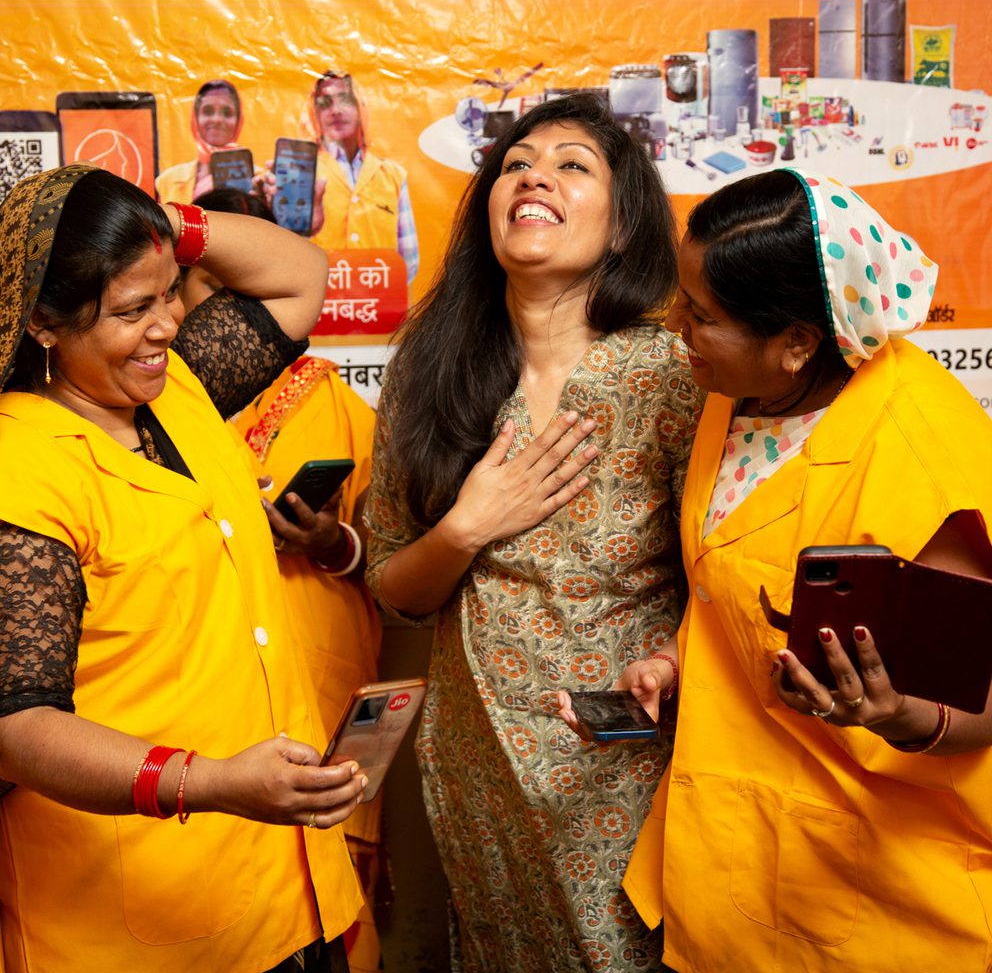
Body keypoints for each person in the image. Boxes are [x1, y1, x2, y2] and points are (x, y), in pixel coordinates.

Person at [570, 168, 992, 971]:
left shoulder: (923, 455)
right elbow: (738, 573)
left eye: (700, 316)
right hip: (734, 869)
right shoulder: (742, 394)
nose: (674, 328)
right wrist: (675, 662)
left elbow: (984, 698)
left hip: (881, 898)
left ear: (797, 341)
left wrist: (894, 713)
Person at [363, 94, 704, 972]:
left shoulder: (672, 373)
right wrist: (466, 529)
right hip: (480, 766)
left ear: (625, 225)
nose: (534, 176)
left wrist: (667, 666)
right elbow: (394, 589)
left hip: (632, 763)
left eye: (571, 164)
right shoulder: (432, 372)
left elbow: (722, 578)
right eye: (516, 163)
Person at [0, 164, 367, 972]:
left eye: (170, 293)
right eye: (132, 310)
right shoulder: (19, 467)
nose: (166, 324)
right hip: (133, 919)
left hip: (285, 889)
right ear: (44, 324)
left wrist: (154, 226)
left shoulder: (178, 391)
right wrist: (210, 783)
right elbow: (17, 730)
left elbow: (303, 276)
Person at [184, 185, 385, 973]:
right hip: (193, 716)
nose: (244, 311)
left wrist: (333, 542)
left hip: (319, 685)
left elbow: (399, 565)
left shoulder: (345, 408)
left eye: (255, 287)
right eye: (219, 292)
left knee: (329, 914)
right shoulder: (146, 408)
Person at [304, 69, 419, 284]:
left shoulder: (393, 175)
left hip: (379, 310)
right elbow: (288, 253)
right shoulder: (303, 170)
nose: (335, 110)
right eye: (324, 103)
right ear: (315, 114)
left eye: (345, 100)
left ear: (360, 107)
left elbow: (408, 260)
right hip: (319, 310)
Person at [156, 79, 249, 205]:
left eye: (227, 113)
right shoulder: (167, 181)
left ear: (239, 121)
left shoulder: (259, 180)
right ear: (195, 119)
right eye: (208, 111)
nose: (217, 119)